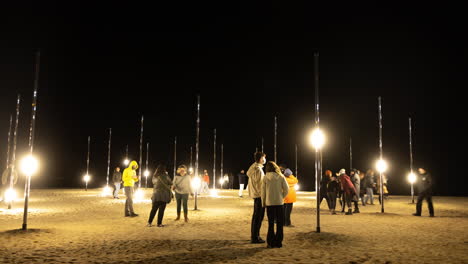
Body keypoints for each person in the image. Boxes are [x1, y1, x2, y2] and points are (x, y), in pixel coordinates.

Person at [261, 161, 289, 248]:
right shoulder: (281, 177)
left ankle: (271, 242)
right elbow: (286, 189)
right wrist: (282, 197)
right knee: (280, 223)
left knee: (271, 223)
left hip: (269, 203)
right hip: (279, 203)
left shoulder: (265, 178)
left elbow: (263, 192)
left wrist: (263, 202)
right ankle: (279, 242)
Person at [246, 151, 266, 244]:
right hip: (259, 195)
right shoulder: (258, 169)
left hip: (256, 195)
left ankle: (254, 235)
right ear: (260, 159)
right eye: (263, 158)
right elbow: (260, 184)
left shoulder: (253, 167)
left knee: (256, 216)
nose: (264, 159)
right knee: (258, 217)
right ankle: (255, 237)